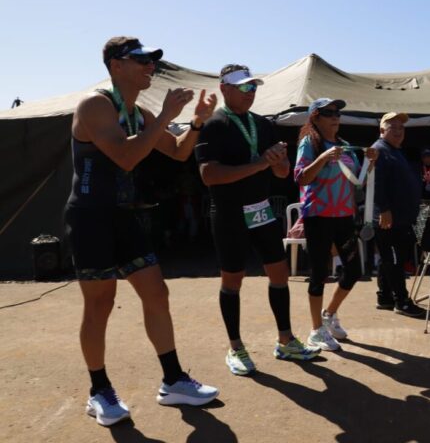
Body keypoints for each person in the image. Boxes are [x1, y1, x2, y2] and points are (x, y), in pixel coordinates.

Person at [64, 36, 219, 427]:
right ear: (116, 65)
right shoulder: (96, 105)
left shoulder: (141, 113)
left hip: (123, 214)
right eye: (141, 60)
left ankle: (173, 381)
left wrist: (198, 121)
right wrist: (167, 115)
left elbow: (180, 151)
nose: (150, 66)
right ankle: (99, 390)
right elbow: (128, 156)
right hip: (90, 218)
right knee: (100, 304)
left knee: (157, 292)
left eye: (152, 60)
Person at [195, 64, 320, 376]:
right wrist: (259, 164)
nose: (251, 93)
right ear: (224, 88)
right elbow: (209, 175)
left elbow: (281, 172)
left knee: (280, 274)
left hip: (261, 209)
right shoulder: (212, 125)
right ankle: (236, 346)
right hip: (228, 213)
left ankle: (286, 340)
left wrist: (278, 163)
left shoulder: (262, 124)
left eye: (253, 87)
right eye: (243, 88)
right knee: (232, 281)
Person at [294, 98, 378, 350]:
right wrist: (323, 157)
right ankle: (316, 331)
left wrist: (371, 162)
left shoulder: (344, 145)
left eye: (338, 112)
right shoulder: (310, 142)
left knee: (354, 270)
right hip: (317, 216)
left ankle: (329, 314)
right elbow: (300, 177)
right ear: (315, 117)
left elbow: (357, 182)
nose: (335, 116)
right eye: (328, 112)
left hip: (343, 216)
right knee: (319, 273)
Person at [371, 112, 426, 317]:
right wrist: (384, 209)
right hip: (388, 218)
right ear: (382, 130)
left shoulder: (394, 150)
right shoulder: (379, 150)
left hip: (401, 218)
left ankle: (384, 296)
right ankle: (401, 301)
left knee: (390, 258)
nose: (398, 131)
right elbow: (376, 182)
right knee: (394, 260)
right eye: (392, 127)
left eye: (401, 128)